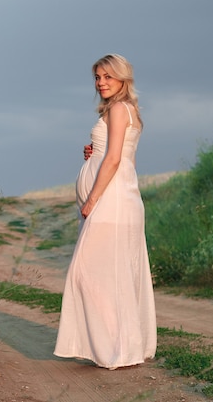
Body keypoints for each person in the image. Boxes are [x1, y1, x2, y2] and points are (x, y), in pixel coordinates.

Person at [53, 54, 157, 370]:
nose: (101, 83)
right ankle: (120, 345)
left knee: (85, 273)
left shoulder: (118, 109)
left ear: (122, 78)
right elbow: (122, 158)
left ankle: (115, 347)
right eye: (98, 78)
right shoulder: (130, 111)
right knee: (115, 275)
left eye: (107, 77)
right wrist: (93, 153)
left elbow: (113, 160)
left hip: (110, 203)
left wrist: (91, 200)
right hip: (122, 199)